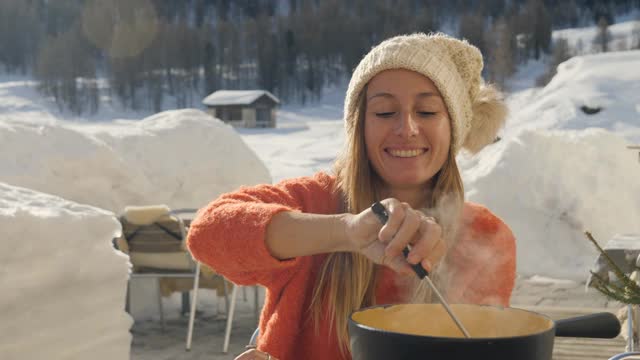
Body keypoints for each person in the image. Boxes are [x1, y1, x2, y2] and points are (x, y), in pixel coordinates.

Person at [187, 32, 516, 360]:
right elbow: (206, 235)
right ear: (360, 126)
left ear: (453, 127)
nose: (407, 128)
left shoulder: (486, 238)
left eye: (427, 111)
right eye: (385, 112)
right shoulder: (314, 203)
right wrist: (345, 231)